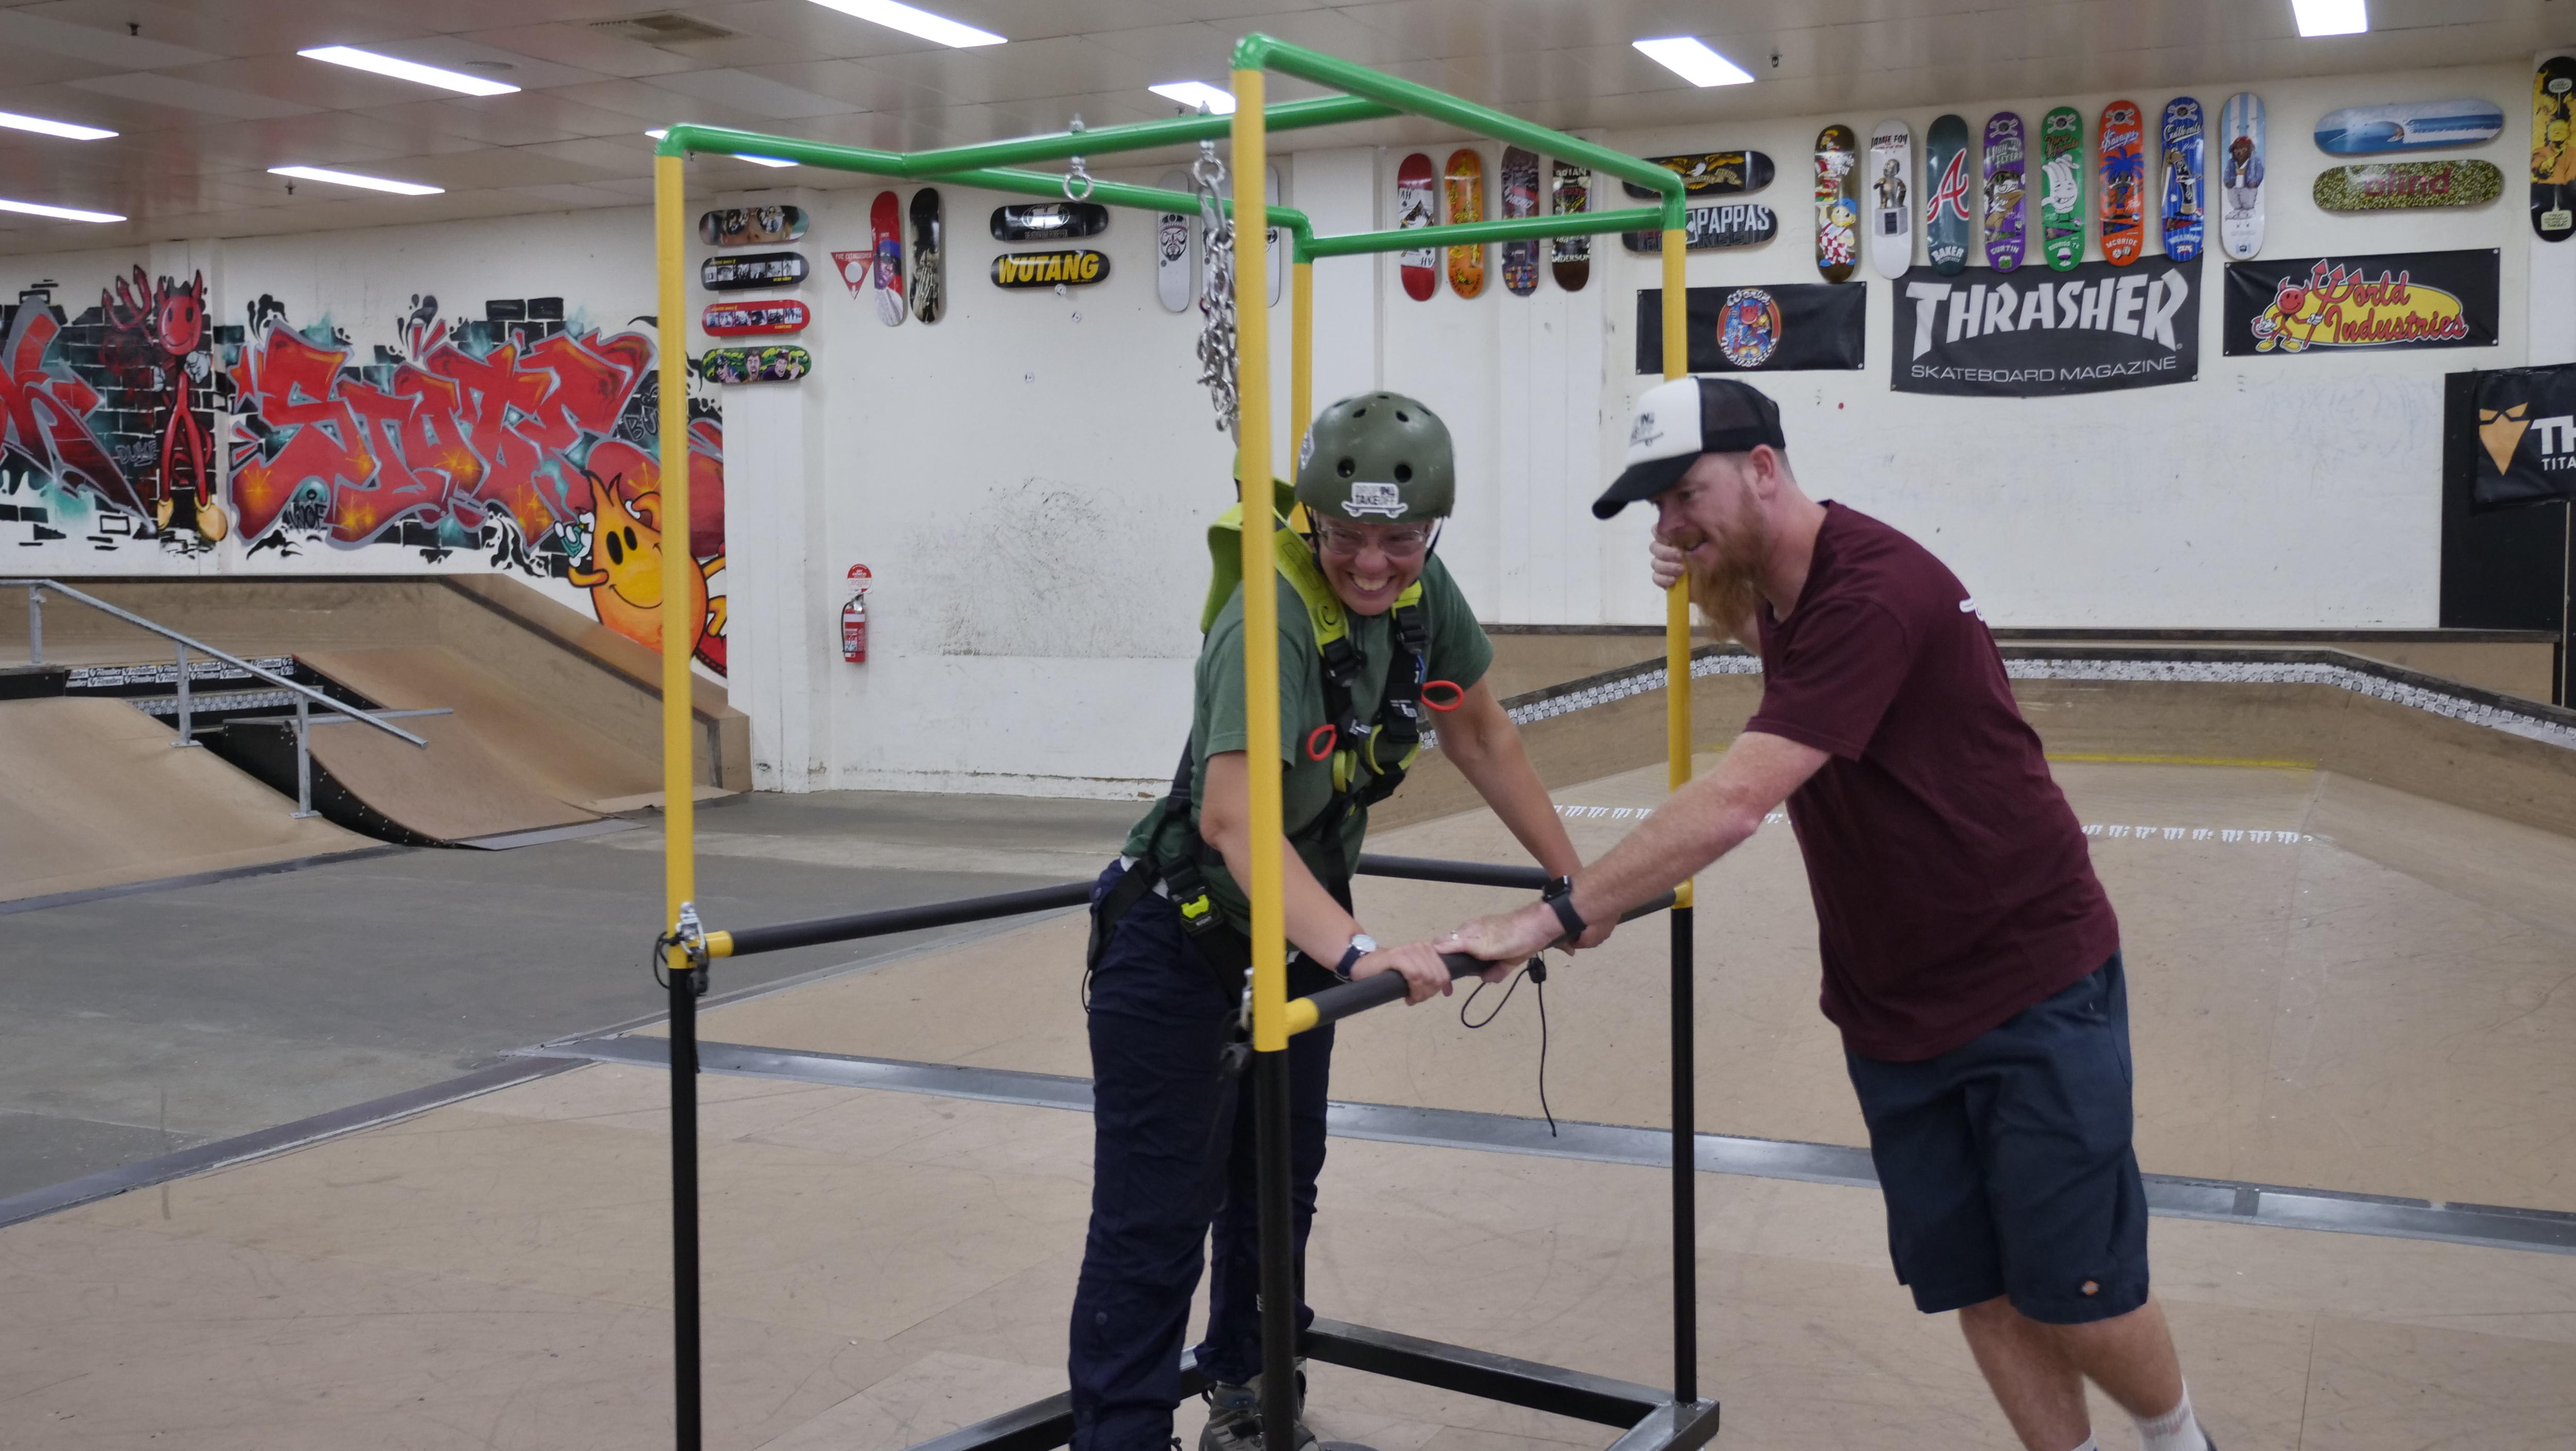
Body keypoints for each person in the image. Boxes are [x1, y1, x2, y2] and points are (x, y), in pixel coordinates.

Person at [1439, 377, 2215, 1451]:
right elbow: (1754, 620)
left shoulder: (1875, 590)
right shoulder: (1778, 589)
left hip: (2025, 982)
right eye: (1655, 510)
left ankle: (2182, 1442)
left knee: (2076, 1284)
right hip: (1891, 1007)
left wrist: (1552, 916)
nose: (1670, 525)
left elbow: (1740, 797)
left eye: (1684, 496)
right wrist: (1698, 561)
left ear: (1764, 468)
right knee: (1976, 1283)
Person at [1070, 393, 1589, 1451]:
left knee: (1275, 1191)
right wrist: (1359, 951)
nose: (1371, 564)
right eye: (1347, 537)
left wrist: (1577, 884)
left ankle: (1252, 1387)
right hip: (1181, 942)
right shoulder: (1266, 615)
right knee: (1155, 1221)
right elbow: (1233, 822)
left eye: (1399, 539)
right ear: (1311, 520)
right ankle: (1120, 1437)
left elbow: (1480, 734)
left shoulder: (1418, 595)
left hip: (1295, 942)